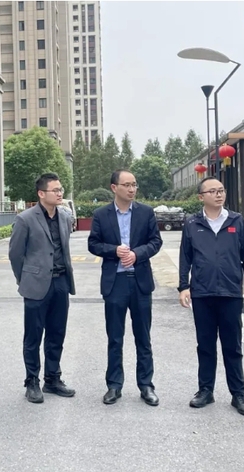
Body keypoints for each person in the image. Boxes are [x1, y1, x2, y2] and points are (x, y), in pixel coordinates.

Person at [178, 177, 244, 416]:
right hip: (202, 293)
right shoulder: (192, 223)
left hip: (230, 293)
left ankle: (239, 394)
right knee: (205, 345)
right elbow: (185, 257)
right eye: (212, 191)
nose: (218, 194)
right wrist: (184, 286)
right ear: (201, 197)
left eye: (221, 190)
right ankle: (205, 391)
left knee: (233, 346)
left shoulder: (236, 220)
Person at [88, 170, 163, 406]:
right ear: (114, 187)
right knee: (115, 337)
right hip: (115, 283)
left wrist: (137, 254)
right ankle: (114, 385)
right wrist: (113, 251)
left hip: (140, 282)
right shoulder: (101, 214)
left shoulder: (146, 212)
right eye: (127, 185)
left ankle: (146, 385)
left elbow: (156, 241)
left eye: (134, 185)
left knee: (143, 337)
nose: (132, 189)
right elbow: (93, 244)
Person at [9, 173, 76, 403]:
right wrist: (25, 279)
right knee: (33, 336)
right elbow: (15, 254)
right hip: (36, 285)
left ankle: (53, 379)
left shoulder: (65, 216)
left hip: (60, 282)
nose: (59, 193)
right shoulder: (25, 219)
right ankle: (32, 381)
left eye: (60, 189)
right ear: (41, 193)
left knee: (57, 333)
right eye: (55, 190)